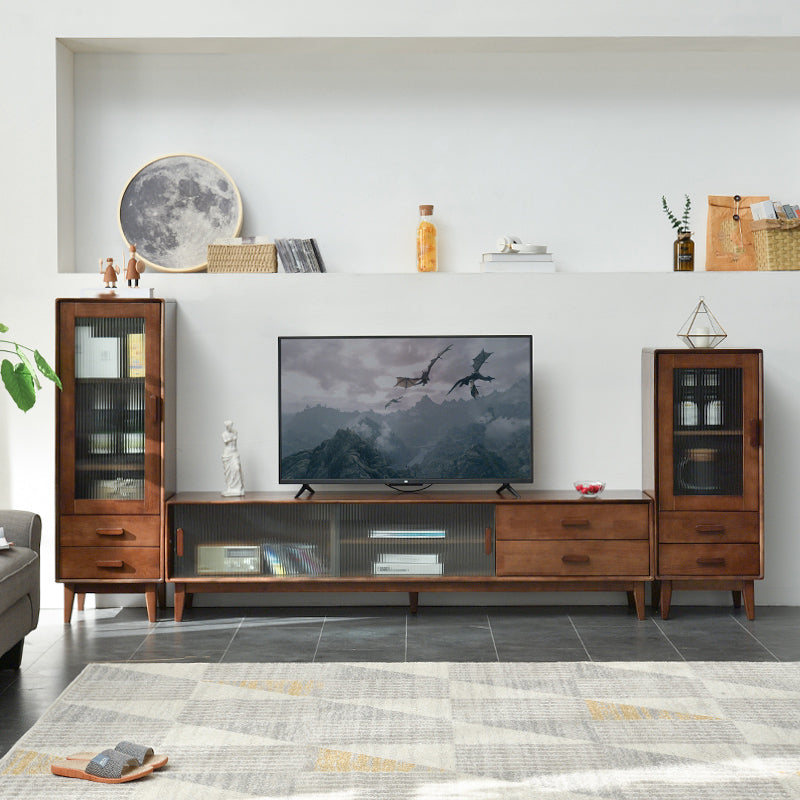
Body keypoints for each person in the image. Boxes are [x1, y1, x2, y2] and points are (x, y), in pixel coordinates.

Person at [221, 420, 244, 496]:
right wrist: (232, 438)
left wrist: (233, 437)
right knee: (228, 472)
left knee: (237, 468)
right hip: (227, 453)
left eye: (231, 425)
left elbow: (235, 441)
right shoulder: (224, 434)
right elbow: (226, 441)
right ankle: (231, 488)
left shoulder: (235, 432)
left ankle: (238, 488)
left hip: (234, 452)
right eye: (229, 426)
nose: (230, 427)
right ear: (227, 426)